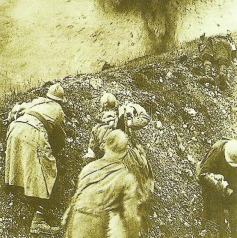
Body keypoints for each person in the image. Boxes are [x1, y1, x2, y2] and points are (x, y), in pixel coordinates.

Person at [84, 97, 154, 234]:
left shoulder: (97, 127)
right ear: (115, 107)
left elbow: (90, 155)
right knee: (143, 170)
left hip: (106, 165)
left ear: (101, 109)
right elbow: (145, 119)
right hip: (126, 161)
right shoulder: (123, 119)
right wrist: (135, 109)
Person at [5, 83, 67, 234]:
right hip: (33, 132)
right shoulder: (58, 110)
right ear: (60, 100)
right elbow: (59, 139)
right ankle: (38, 220)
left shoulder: (37, 101)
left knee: (20, 163)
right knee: (49, 172)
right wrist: (54, 156)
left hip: (14, 128)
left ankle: (22, 198)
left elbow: (15, 111)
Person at [62, 129, 141, 238]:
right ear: (125, 151)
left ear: (105, 146)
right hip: (98, 226)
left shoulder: (88, 168)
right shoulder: (126, 178)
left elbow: (75, 198)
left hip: (75, 222)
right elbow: (130, 216)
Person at [197, 139, 237, 238]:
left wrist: (231, 191)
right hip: (212, 185)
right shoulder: (217, 150)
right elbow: (202, 174)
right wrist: (219, 184)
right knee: (214, 211)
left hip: (229, 183)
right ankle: (204, 229)